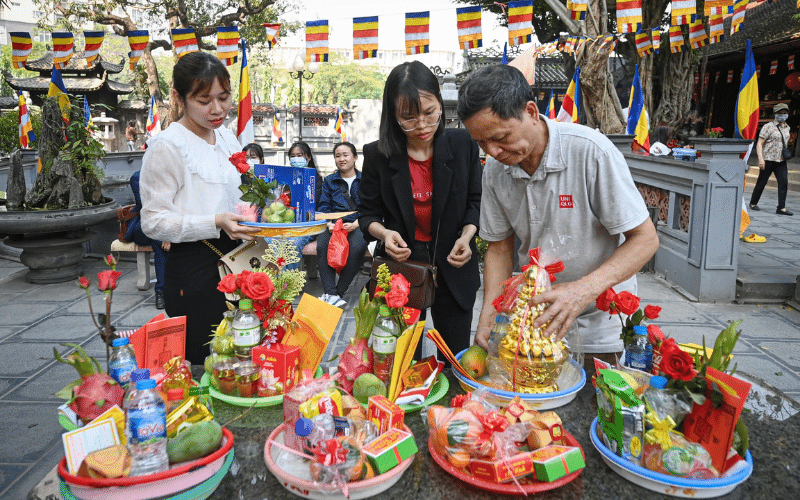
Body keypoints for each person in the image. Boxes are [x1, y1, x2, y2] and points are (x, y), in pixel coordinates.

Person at [457, 64, 659, 369]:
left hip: (599, 323)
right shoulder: (497, 170)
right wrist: (488, 316)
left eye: (500, 137)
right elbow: (499, 248)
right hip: (531, 321)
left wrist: (580, 292)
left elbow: (645, 240)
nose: (493, 152)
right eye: (481, 143)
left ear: (530, 112)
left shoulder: (591, 152)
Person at [140, 51, 260, 365]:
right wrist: (215, 221)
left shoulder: (225, 137)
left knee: (244, 352)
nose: (217, 109)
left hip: (239, 258)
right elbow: (153, 221)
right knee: (206, 358)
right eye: (204, 100)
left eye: (224, 97)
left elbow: (240, 190)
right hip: (196, 265)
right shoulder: (167, 147)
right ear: (179, 97)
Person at [359, 60, 482, 357]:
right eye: (409, 119)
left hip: (454, 266)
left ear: (440, 103)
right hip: (403, 270)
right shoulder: (377, 154)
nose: (423, 126)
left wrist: (466, 238)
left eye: (430, 113)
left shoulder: (463, 144)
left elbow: (475, 202)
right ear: (393, 115)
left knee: (455, 358)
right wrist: (385, 234)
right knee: (403, 356)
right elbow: (367, 214)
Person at [316, 142, 368, 308]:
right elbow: (323, 206)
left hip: (359, 222)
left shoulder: (366, 180)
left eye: (345, 155)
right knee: (323, 245)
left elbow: (372, 207)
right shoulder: (329, 181)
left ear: (355, 157)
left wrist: (357, 223)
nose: (341, 159)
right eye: (338, 156)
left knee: (357, 247)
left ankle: (338, 292)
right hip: (335, 223)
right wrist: (329, 223)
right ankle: (331, 293)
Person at [127, 170, 169, 309]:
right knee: (159, 240)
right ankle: (161, 291)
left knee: (160, 242)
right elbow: (147, 207)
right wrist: (165, 233)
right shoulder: (138, 177)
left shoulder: (175, 175)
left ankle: (165, 289)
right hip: (144, 225)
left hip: (167, 224)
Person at [750, 102, 793, 216]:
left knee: (784, 182)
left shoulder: (787, 128)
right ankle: (753, 203)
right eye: (780, 113)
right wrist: (760, 159)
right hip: (768, 159)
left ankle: (781, 207)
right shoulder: (768, 126)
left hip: (781, 160)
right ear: (775, 114)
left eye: (785, 113)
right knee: (761, 182)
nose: (782, 115)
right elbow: (759, 143)